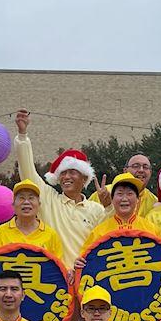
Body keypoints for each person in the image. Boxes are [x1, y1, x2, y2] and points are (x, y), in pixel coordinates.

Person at [13, 109, 105, 265]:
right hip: (56, 277)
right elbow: (27, 171)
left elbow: (103, 244)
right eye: (63, 173)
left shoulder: (97, 210)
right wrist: (23, 136)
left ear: (84, 178)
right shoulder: (49, 199)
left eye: (72, 172)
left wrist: (109, 207)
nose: (66, 177)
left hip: (85, 276)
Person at [76, 173, 159, 271]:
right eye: (120, 194)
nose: (125, 199)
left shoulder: (150, 228)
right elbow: (85, 258)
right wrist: (79, 262)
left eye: (130, 194)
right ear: (112, 199)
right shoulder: (99, 231)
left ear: (137, 199)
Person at [0, 179, 65, 260]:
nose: (26, 202)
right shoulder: (0, 233)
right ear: (13, 205)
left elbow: (58, 265)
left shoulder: (51, 235)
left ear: (39, 205)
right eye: (21, 198)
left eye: (31, 198)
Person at [90, 153, 158, 217]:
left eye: (146, 167)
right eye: (136, 166)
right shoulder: (103, 193)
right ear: (125, 170)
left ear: (150, 172)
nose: (141, 170)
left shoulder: (154, 201)